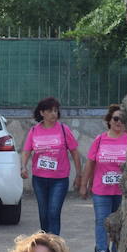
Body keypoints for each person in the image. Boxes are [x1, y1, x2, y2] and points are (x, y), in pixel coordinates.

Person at [21, 97, 81, 236]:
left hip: (59, 179)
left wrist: (79, 174)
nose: (54, 114)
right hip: (39, 179)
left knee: (53, 212)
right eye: (50, 111)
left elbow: (75, 152)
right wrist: (23, 167)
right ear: (42, 113)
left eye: (56, 111)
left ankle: (54, 248)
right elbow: (26, 150)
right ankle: (46, 245)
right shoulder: (34, 130)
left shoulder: (63, 129)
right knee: (43, 213)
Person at [78, 105, 127, 252]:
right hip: (101, 189)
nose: (119, 122)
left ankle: (116, 251)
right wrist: (83, 184)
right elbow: (90, 164)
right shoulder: (100, 140)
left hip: (122, 191)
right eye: (115, 118)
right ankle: (101, 251)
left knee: (120, 221)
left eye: (122, 119)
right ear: (109, 121)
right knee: (101, 220)